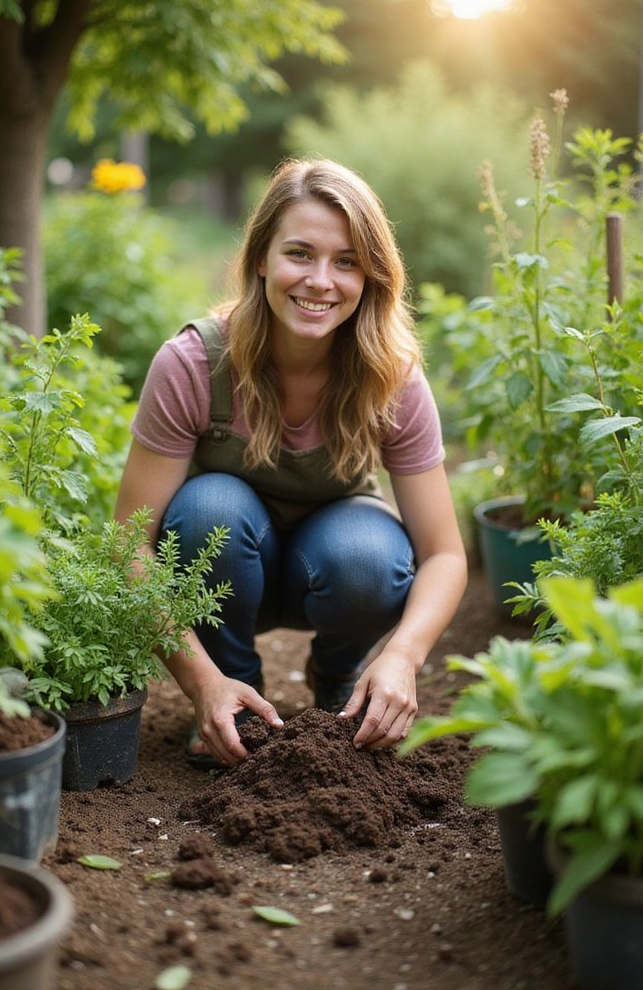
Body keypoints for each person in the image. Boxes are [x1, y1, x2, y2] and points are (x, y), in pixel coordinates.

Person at [114, 157, 467, 769]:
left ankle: (340, 679)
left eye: (347, 261)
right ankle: (231, 697)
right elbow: (127, 544)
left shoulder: (391, 377)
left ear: (372, 276)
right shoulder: (196, 363)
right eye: (300, 254)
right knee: (210, 510)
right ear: (260, 259)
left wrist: (403, 655)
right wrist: (199, 679)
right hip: (224, 564)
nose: (321, 281)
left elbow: (445, 554)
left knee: (370, 561)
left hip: (327, 562)